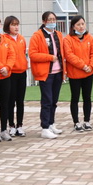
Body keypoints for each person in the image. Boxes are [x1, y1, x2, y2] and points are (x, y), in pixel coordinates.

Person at [29, 11, 65, 139]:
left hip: (58, 72)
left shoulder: (58, 34)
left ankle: (51, 124)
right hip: (46, 73)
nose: (52, 22)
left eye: (54, 19)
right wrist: (49, 57)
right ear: (44, 21)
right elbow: (33, 54)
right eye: (49, 19)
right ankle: (44, 127)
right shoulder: (37, 36)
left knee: (54, 100)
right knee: (47, 101)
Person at [63, 15, 93, 131]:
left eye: (82, 24)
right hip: (75, 74)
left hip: (88, 73)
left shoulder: (90, 38)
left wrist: (91, 66)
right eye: (78, 24)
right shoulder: (68, 39)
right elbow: (69, 55)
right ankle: (76, 122)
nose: (81, 26)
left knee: (87, 97)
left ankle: (87, 121)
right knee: (75, 98)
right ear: (73, 26)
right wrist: (83, 66)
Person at [3, 16, 28, 137]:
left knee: (20, 100)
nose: (16, 27)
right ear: (8, 26)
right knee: (11, 100)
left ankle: (20, 125)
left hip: (22, 72)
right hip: (11, 73)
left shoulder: (21, 38)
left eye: (17, 24)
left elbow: (23, 53)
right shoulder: (5, 39)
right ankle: (11, 125)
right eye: (13, 25)